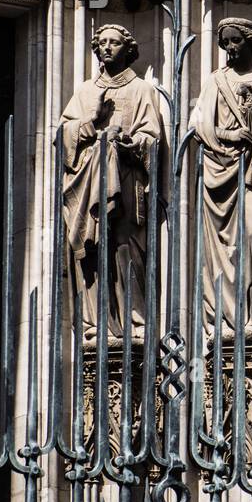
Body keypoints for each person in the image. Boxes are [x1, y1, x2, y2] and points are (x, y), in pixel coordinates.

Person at [61, 24, 163, 341]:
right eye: (102, 42)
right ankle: (96, 323)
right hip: (89, 183)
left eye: (114, 43)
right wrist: (92, 121)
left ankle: (135, 320)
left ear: (127, 48)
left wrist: (132, 142)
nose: (107, 47)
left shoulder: (142, 90)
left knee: (125, 247)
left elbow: (153, 139)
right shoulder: (85, 92)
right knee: (92, 250)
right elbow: (63, 137)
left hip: (127, 182)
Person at [191, 18, 252, 336]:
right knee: (225, 252)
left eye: (235, 41)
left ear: (250, 42)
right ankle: (232, 319)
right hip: (221, 176)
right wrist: (229, 135)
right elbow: (199, 127)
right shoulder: (215, 82)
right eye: (225, 43)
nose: (229, 49)